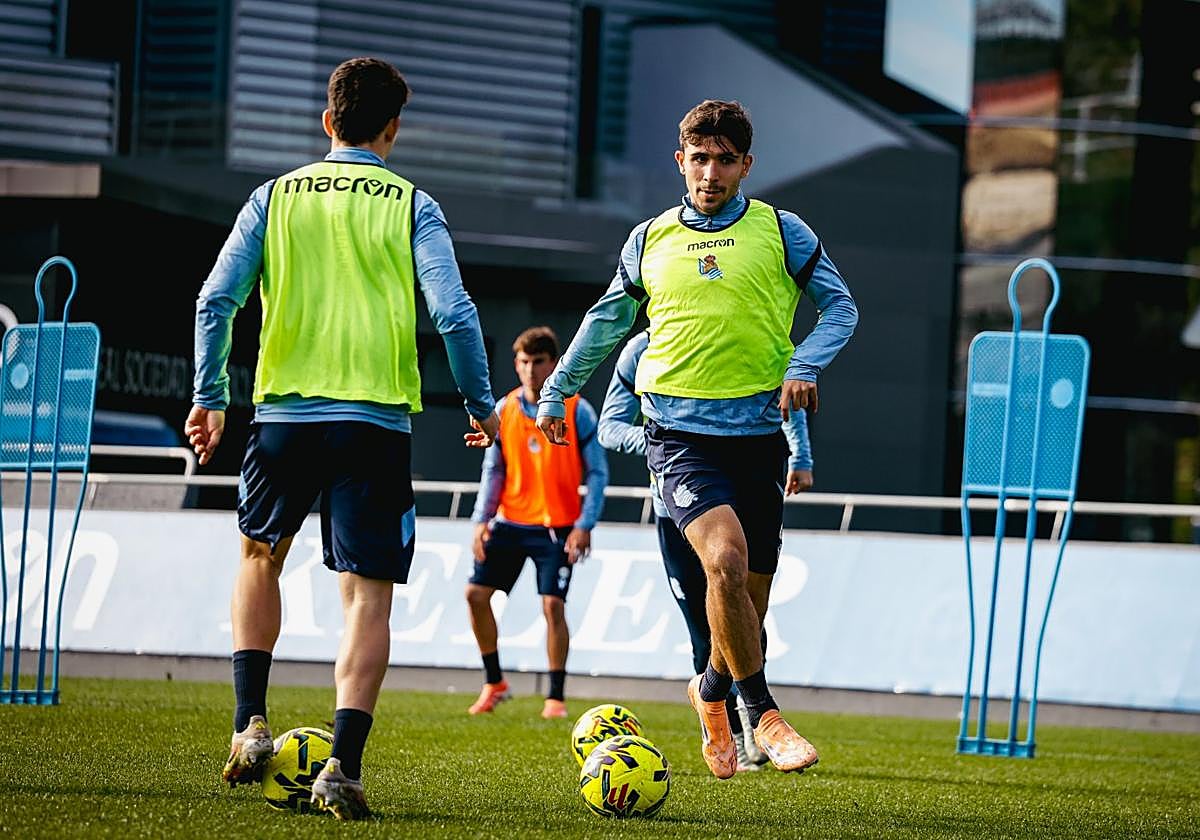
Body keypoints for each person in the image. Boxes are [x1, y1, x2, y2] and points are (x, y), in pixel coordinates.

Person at [186, 57, 500, 820]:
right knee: (367, 599)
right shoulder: (413, 204)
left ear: (328, 122)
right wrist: (480, 406)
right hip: (373, 422)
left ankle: (249, 722)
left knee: (261, 555)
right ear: (394, 128)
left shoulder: (274, 197)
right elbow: (454, 313)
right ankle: (342, 769)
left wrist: (210, 399)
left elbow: (215, 298)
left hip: (282, 419)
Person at [536, 100, 857, 779]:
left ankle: (710, 691)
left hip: (758, 438)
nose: (710, 173)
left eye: (724, 160)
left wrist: (803, 366)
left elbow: (842, 308)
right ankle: (762, 714)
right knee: (726, 561)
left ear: (746, 165)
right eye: (698, 159)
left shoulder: (782, 232)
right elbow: (604, 323)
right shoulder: (649, 239)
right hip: (679, 438)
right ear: (680, 161)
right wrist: (556, 391)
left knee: (748, 604)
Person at [597, 328, 814, 772]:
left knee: (749, 614)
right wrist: (661, 441)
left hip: (743, 480)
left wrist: (801, 456)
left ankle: (718, 696)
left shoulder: (737, 328)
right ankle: (740, 727)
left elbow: (780, 387)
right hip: (674, 499)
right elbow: (609, 426)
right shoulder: (639, 352)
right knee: (704, 624)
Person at [465, 326, 609, 720]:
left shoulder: (576, 409)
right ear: (516, 364)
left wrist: (585, 524)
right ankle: (494, 682)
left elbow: (597, 472)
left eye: (539, 362)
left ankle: (555, 697)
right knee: (475, 596)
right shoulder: (505, 408)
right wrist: (481, 519)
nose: (531, 370)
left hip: (557, 527)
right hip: (510, 522)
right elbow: (494, 469)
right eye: (524, 362)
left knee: (552, 607)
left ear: (554, 365)